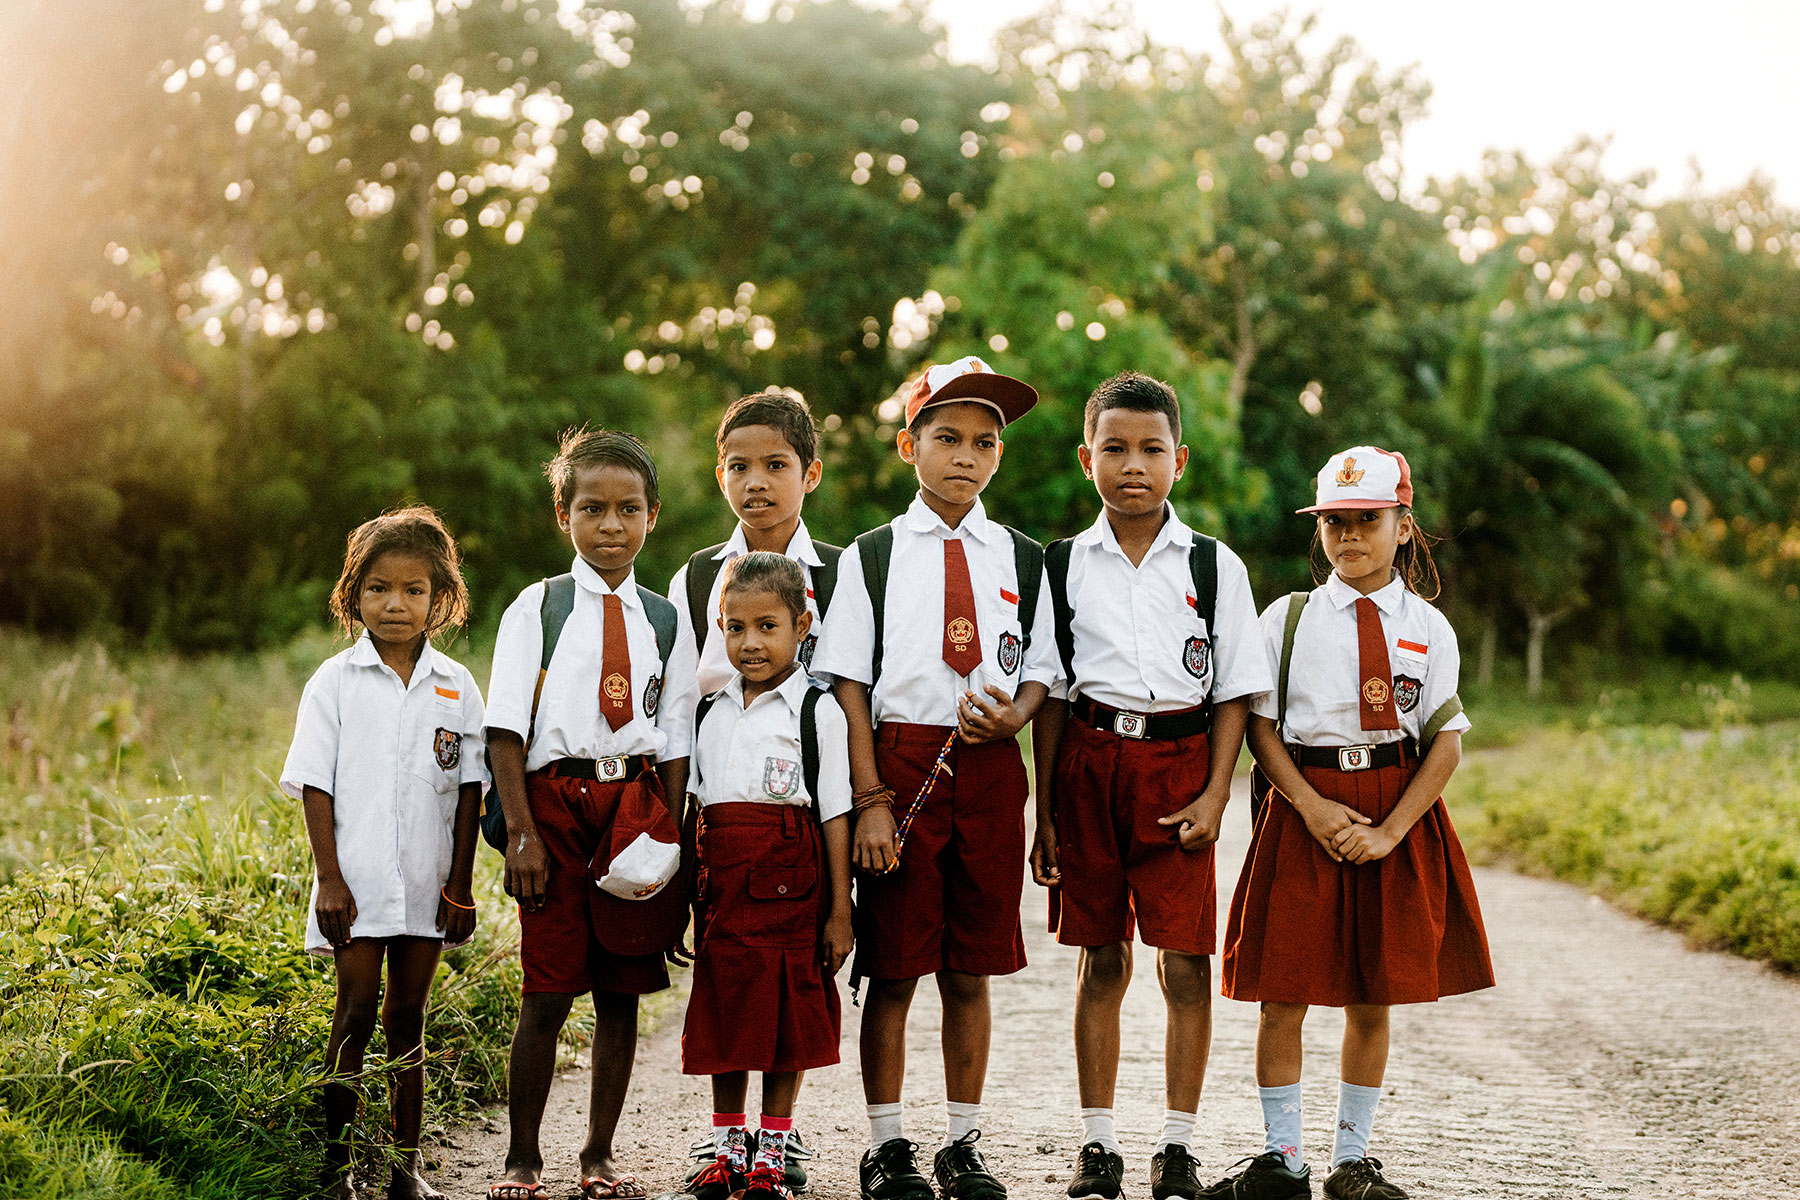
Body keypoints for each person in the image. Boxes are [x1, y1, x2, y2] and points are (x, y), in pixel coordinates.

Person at [1205, 447, 1495, 1200]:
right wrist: (1308, 804)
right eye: (1334, 522)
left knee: (1374, 992)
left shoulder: (1429, 628)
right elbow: (1261, 725)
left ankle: (1351, 1161)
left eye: (1367, 520)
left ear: (1403, 526)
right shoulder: (1289, 620)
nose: (1349, 537)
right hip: (1305, 804)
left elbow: (1445, 742)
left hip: (1395, 804)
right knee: (1284, 988)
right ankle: (1284, 1158)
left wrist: (1391, 830)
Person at [812, 356, 1058, 1200]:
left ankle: (963, 1140)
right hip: (901, 760)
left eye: (985, 442)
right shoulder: (873, 556)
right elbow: (846, 682)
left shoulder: (1021, 557)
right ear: (907, 443)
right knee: (894, 965)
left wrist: (1019, 715)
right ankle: (886, 1143)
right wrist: (871, 797)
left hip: (988, 766)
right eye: (946, 437)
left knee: (970, 966)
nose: (966, 455)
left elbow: (1042, 674)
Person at [1029, 373, 1272, 1200]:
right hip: (1091, 765)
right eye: (1115, 448)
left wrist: (1214, 795)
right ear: (1087, 456)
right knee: (1102, 957)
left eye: (1151, 450)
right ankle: (1098, 1145)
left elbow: (1236, 690)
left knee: (1187, 962)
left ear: (1181, 459)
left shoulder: (1212, 563)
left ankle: (1178, 1146)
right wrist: (1048, 812)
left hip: (1179, 770)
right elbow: (1053, 694)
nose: (1133, 465)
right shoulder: (1063, 564)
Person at [484, 428, 699, 1200]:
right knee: (545, 991)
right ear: (562, 515)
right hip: (552, 806)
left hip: (635, 806)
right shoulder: (537, 608)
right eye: (592, 509)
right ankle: (522, 1158)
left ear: (653, 515)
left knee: (620, 992)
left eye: (628, 509)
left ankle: (599, 1154)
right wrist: (521, 834)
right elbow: (505, 729)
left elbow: (674, 736)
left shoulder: (664, 619)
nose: (611, 525)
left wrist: (668, 839)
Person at [280, 505, 486, 1200]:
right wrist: (328, 881)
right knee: (355, 1014)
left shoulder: (457, 686)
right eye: (378, 589)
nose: (395, 604)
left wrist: (460, 886)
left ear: (440, 599)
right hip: (356, 885)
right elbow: (314, 784)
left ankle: (406, 1168)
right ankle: (336, 1171)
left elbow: (469, 795)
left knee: (408, 1022)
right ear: (352, 595)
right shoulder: (334, 683)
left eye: (414, 590)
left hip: (430, 887)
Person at [680, 552, 855, 1200]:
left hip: (794, 882)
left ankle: (772, 1150)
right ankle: (728, 1144)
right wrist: (683, 902)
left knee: (787, 1015)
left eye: (766, 626)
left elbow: (835, 812)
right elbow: (694, 812)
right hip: (723, 883)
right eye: (734, 627)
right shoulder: (709, 712)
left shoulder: (817, 711)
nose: (749, 643)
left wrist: (840, 910)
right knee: (725, 1008)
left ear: (802, 624)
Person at [667, 390, 844, 700]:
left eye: (775, 465)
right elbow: (678, 696)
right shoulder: (695, 579)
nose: (755, 482)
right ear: (722, 479)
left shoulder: (842, 574)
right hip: (718, 744)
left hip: (810, 742)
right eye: (739, 467)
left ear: (811, 475)